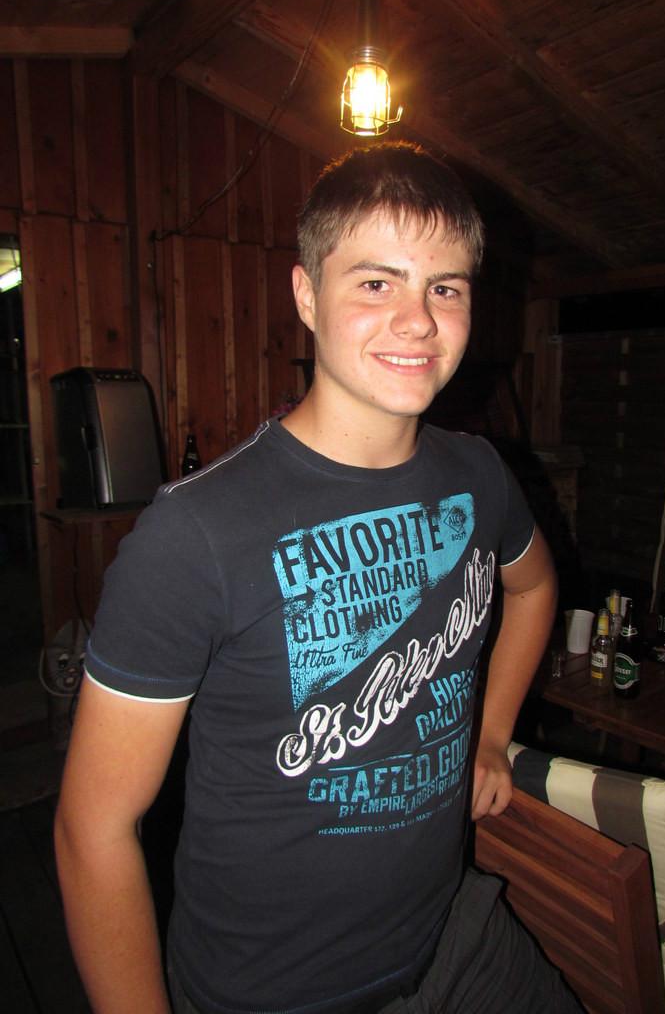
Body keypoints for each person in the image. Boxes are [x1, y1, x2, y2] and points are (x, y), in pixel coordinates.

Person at [55, 141, 578, 1014]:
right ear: (306, 295)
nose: (418, 320)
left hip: (454, 936)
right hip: (271, 992)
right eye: (376, 282)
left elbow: (532, 589)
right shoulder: (194, 534)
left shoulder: (481, 475)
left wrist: (490, 735)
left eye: (445, 288)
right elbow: (93, 830)